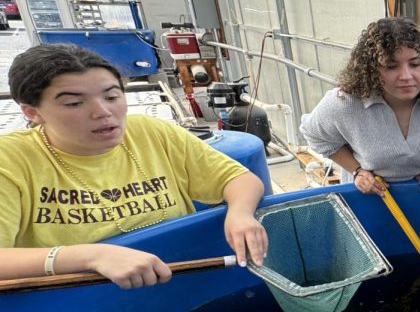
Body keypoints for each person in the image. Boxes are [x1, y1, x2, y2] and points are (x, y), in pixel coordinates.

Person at [0, 43, 268, 288]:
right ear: (32, 112)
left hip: (175, 278)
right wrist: (90, 256)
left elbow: (239, 179)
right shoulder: (11, 159)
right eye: (74, 103)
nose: (102, 112)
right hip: (71, 301)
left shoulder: (150, 133)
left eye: (112, 96)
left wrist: (240, 213)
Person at [300, 18, 420, 195]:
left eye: (415, 64)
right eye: (391, 66)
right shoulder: (344, 103)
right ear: (371, 69)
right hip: (371, 202)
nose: (406, 76)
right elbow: (314, 135)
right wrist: (357, 171)